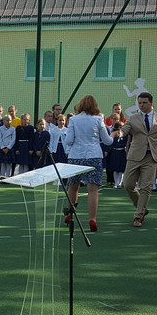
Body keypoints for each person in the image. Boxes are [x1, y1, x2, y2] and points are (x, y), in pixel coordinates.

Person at [122, 92, 157, 227]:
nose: (141, 105)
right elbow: (125, 130)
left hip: (151, 157)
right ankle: (141, 207)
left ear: (151, 103)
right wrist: (118, 133)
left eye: (144, 103)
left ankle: (138, 216)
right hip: (135, 156)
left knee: (146, 187)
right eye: (139, 103)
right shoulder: (133, 118)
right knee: (128, 185)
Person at [62, 95, 113, 231]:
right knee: (92, 190)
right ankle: (92, 219)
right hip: (93, 155)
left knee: (73, 186)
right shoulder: (98, 119)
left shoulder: (73, 119)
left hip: (75, 156)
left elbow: (68, 140)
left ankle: (70, 214)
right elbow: (107, 141)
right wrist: (114, 135)